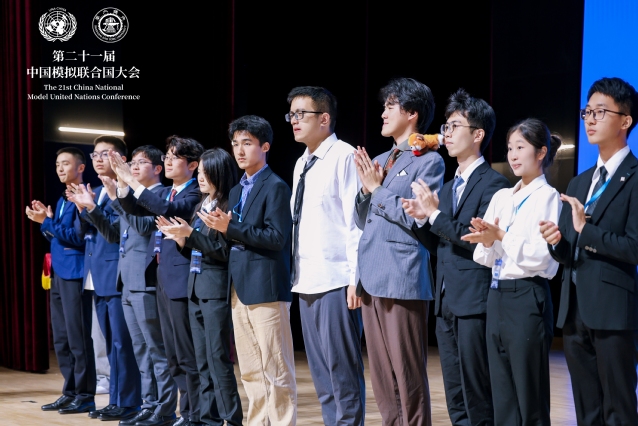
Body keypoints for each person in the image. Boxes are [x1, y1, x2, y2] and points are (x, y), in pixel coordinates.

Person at [403, 88, 510, 425]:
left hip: (475, 301)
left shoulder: (494, 184)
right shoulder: (448, 188)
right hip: (446, 301)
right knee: (454, 392)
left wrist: (435, 215)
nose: (446, 134)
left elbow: (476, 240)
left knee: (477, 390)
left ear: (478, 135)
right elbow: (440, 244)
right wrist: (423, 220)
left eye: (454, 126)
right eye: (445, 127)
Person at [539, 77, 638, 425]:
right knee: (587, 411)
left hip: (613, 312)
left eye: (600, 112)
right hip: (574, 311)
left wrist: (586, 230)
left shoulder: (635, 177)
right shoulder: (580, 182)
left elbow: (634, 247)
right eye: (587, 112)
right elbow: (569, 249)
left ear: (625, 121)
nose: (590, 119)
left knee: (619, 410)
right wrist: (556, 241)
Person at [353, 77, 445, 425]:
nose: (383, 113)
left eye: (390, 106)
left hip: (402, 276)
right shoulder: (380, 160)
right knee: (381, 376)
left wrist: (376, 190)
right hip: (370, 276)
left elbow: (417, 217)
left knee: (407, 373)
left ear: (412, 113)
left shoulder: (429, 162)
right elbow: (362, 219)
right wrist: (366, 191)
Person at [461, 118, 562, 425]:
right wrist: (487, 240)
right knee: (502, 394)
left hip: (527, 296)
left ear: (541, 152)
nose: (513, 155)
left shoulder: (548, 196)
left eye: (521, 147)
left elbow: (543, 258)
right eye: (509, 148)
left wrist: (501, 237)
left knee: (530, 396)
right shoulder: (502, 197)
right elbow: (484, 256)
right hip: (497, 295)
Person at [199, 115, 297, 425]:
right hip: (238, 288)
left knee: (276, 369)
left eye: (247, 143)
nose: (239, 151)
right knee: (252, 370)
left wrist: (231, 228)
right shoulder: (237, 190)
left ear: (264, 147)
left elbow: (277, 238)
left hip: (266, 287)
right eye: (235, 144)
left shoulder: (276, 186)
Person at [73, 145, 179, 426]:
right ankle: (148, 405)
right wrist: (93, 207)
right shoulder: (129, 197)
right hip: (127, 280)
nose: (134, 167)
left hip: (146, 281)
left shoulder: (159, 196)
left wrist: (118, 196)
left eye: (141, 163)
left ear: (157, 169)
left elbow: (144, 227)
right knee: (140, 350)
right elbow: (112, 234)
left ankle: (165, 409)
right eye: (132, 162)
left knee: (156, 350)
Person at [111, 136, 204, 426]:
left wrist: (130, 181)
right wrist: (122, 184)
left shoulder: (193, 193)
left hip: (180, 280)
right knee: (170, 354)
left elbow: (164, 211)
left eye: (175, 157)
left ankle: (189, 413)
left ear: (193, 165)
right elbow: (136, 208)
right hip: (161, 278)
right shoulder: (170, 192)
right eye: (167, 155)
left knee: (181, 354)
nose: (169, 160)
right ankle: (172, 410)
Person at [286, 86, 365, 425]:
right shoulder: (301, 163)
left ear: (324, 118)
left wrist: (355, 279)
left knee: (342, 372)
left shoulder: (344, 156)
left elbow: (355, 222)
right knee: (320, 374)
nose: (294, 120)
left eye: (301, 114)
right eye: (291, 114)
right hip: (306, 279)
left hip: (336, 280)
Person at [156, 147, 243, 426]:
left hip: (215, 289)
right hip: (195, 287)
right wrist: (181, 239)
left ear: (220, 172)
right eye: (200, 172)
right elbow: (196, 248)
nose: (201, 178)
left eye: (206, 173)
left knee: (218, 359)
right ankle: (207, 419)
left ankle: (231, 419)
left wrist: (190, 234)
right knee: (202, 361)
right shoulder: (201, 205)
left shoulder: (228, 205)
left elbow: (223, 251)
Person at [66, 135, 143, 420]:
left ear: (121, 159)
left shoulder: (126, 191)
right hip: (96, 274)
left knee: (123, 343)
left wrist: (90, 208)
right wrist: (82, 207)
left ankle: (129, 402)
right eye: (95, 155)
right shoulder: (96, 190)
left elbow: (114, 232)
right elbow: (83, 232)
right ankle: (116, 399)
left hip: (116, 274)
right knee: (110, 344)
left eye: (105, 154)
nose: (98, 159)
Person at [26, 147, 97, 414]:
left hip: (75, 273)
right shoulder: (63, 198)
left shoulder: (84, 196)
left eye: (65, 163)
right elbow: (59, 235)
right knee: (62, 338)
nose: (60, 169)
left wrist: (47, 223)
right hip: (58, 272)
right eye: (57, 164)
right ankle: (70, 391)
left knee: (78, 337)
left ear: (81, 168)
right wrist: (46, 222)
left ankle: (85, 395)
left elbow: (78, 238)